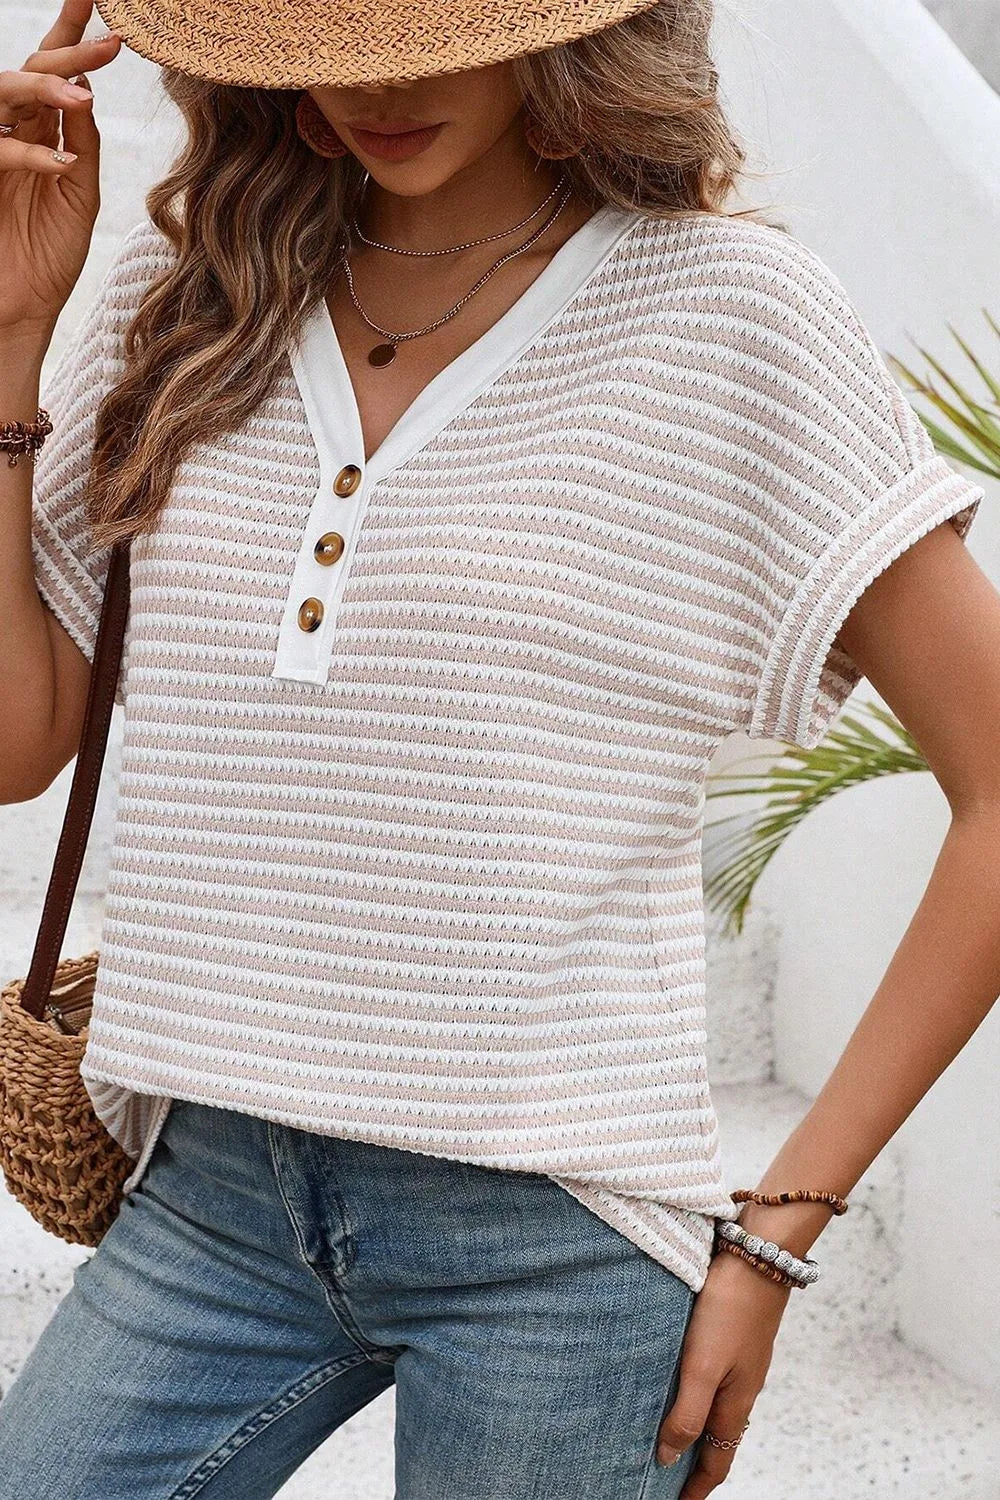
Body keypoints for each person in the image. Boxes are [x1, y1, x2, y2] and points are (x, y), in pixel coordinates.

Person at [0, 0, 994, 1496]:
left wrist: (777, 1234)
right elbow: (19, 747)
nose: (373, 85)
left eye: (427, 29)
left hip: (558, 1242)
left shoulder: (730, 313)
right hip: (207, 1193)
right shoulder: (192, 290)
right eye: (326, 39)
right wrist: (11, 339)